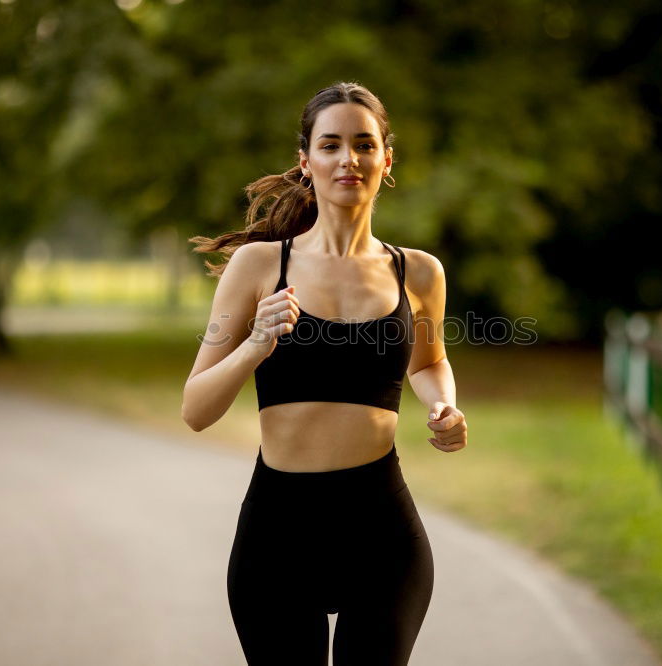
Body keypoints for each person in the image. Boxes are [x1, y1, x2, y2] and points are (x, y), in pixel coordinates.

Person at [181, 80, 468, 666]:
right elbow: (196, 410)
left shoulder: (418, 273)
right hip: (278, 536)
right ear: (306, 161)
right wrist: (255, 345)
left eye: (364, 144)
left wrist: (443, 406)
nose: (348, 159)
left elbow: (431, 362)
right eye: (331, 144)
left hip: (382, 530)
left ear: (386, 160)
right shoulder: (258, 265)